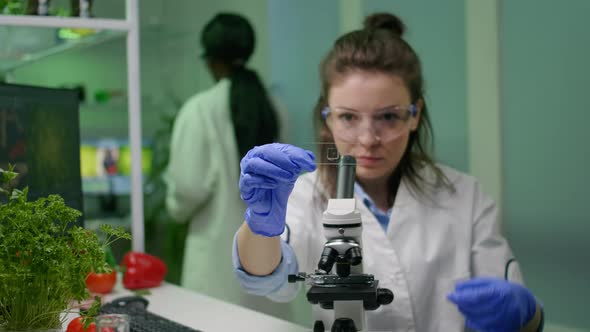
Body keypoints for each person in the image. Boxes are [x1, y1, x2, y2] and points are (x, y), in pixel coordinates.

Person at [233, 12, 544, 332]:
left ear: (415, 114)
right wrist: (259, 226)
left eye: (388, 117)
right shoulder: (303, 195)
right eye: (349, 118)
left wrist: (526, 314)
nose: (368, 140)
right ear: (327, 116)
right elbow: (268, 280)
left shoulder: (465, 195)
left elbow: (521, 317)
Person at [165, 13, 280, 305]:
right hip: (268, 266)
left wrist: (175, 207)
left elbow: (186, 190)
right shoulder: (273, 108)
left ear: (211, 60)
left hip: (216, 271)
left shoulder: (200, 110)